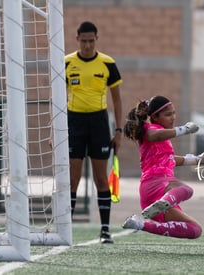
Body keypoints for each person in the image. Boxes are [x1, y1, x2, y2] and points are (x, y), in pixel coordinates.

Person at [121, 95, 204, 239]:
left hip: (155, 193)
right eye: (168, 114)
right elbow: (153, 136)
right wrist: (184, 130)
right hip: (156, 183)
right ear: (155, 117)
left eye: (174, 113)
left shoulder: (159, 132)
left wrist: (197, 160)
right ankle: (164, 202)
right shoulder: (151, 128)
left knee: (195, 230)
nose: (173, 117)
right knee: (186, 190)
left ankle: (140, 224)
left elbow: (169, 159)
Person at [65, 21, 123, 244]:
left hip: (99, 122)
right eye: (83, 41)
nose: (87, 45)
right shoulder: (67, 62)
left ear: (96, 39)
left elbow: (116, 99)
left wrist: (118, 130)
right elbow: (58, 99)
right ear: (77, 39)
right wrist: (55, 131)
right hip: (74, 122)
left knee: (101, 178)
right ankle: (66, 230)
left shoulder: (107, 63)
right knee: (73, 178)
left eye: (91, 41)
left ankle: (105, 230)